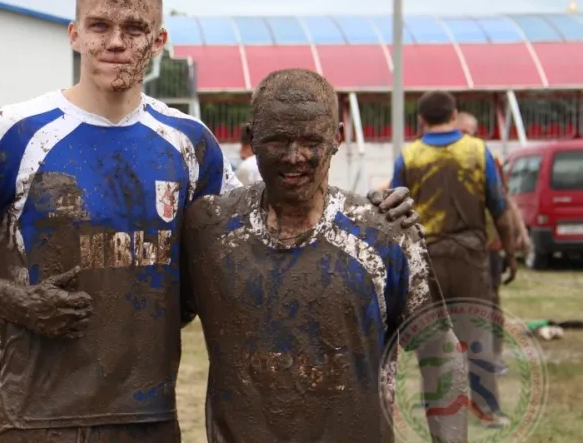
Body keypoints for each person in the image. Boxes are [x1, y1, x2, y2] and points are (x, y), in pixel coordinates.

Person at [0, 0, 419, 441]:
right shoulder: (13, 131)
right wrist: (18, 303)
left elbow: (261, 227)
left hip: (148, 419)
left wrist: (376, 212)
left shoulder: (189, 143)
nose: (116, 42)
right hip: (34, 416)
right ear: (75, 34)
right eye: (100, 26)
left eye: (135, 29)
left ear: (159, 41)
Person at [181, 68, 467, 443]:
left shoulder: (384, 237)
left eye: (311, 140)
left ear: (337, 138)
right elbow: (157, 317)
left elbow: (440, 352)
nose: (295, 156)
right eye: (278, 140)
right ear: (252, 138)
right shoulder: (209, 232)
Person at [390, 92, 519, 428]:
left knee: (432, 338)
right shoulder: (477, 151)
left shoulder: (409, 155)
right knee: (477, 332)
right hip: (470, 257)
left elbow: (391, 212)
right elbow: (499, 208)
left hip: (426, 258)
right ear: (455, 114)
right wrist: (510, 252)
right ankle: (488, 409)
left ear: (421, 120)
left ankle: (438, 406)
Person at [456, 111, 530, 374]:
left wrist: (520, 234)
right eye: (459, 133)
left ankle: (492, 357)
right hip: (458, 247)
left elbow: (503, 201)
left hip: (488, 245)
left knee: (489, 302)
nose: (462, 139)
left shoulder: (486, 158)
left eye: (466, 134)